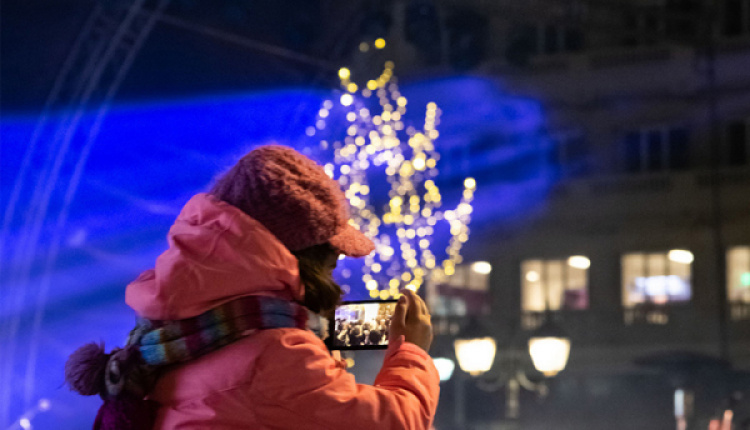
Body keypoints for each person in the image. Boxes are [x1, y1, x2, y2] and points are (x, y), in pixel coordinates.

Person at [64, 144, 439, 430]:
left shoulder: (171, 328)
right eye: (331, 257)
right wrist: (410, 353)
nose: (337, 268)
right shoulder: (278, 354)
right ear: (300, 256)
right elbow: (393, 421)